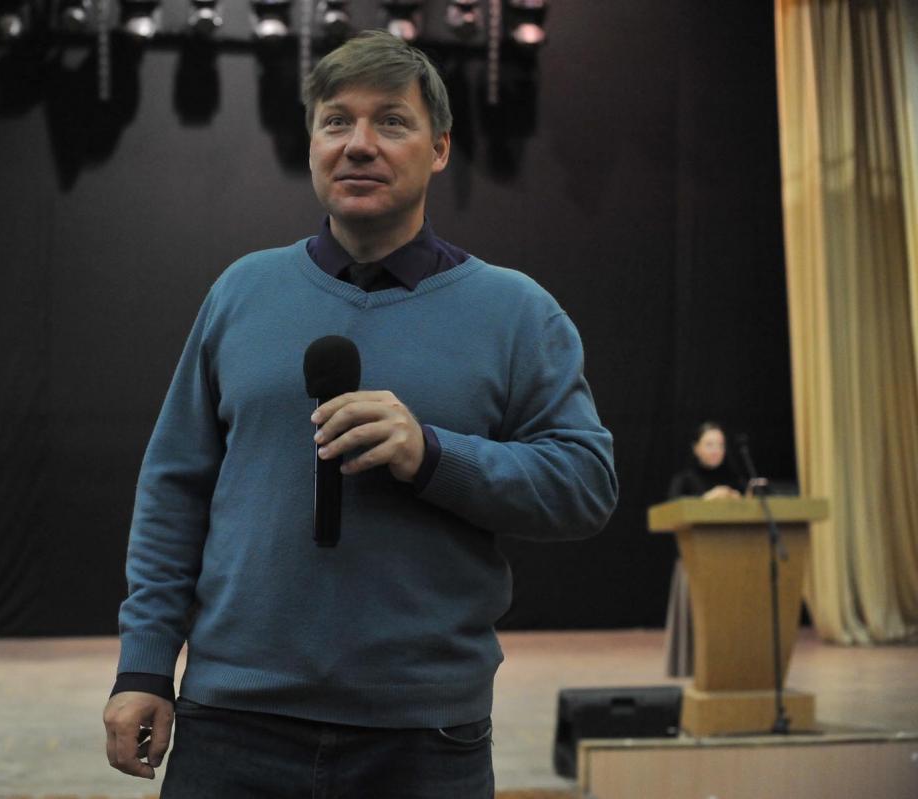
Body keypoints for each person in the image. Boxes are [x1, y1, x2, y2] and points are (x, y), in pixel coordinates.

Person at [103, 30, 618, 797]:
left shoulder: (515, 312)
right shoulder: (242, 293)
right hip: (233, 722)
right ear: (312, 143)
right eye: (336, 121)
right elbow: (174, 491)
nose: (359, 144)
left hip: (422, 736)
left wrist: (433, 455)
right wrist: (144, 664)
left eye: (392, 121)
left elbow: (585, 483)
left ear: (440, 149)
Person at [664, 421, 745, 677]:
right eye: (709, 444)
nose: (716, 450)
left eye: (720, 445)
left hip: (733, 561)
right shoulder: (684, 480)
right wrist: (707, 500)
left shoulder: (736, 480)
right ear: (696, 448)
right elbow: (672, 513)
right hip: (694, 563)